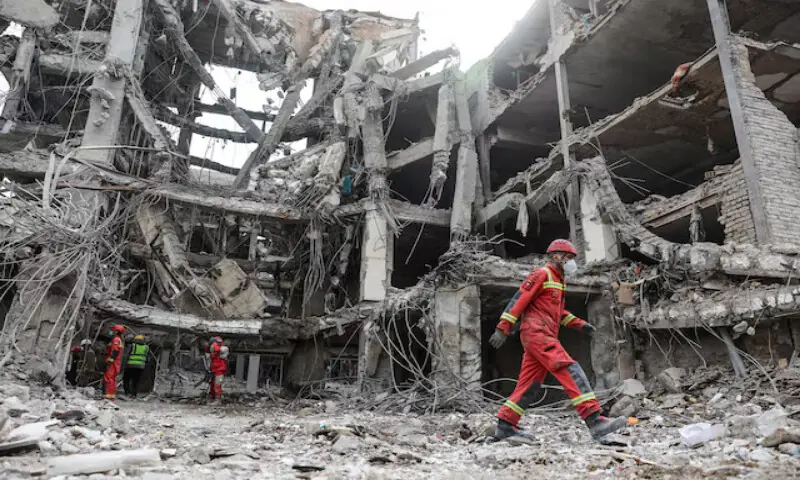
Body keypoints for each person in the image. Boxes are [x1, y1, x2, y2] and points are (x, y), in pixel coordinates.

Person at [488, 239, 629, 442]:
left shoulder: (558, 281)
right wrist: (503, 328)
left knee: (529, 385)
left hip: (542, 335)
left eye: (572, 258)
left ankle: (505, 425)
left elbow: (558, 312)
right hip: (538, 334)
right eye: (568, 257)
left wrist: (581, 325)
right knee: (570, 369)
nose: (571, 262)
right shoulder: (541, 274)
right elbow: (519, 299)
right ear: (556, 256)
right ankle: (595, 420)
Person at [103, 325, 126, 402]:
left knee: (109, 379)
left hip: (113, 363)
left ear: (116, 331)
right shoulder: (119, 340)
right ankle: (110, 396)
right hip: (116, 363)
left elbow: (115, 351)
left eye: (113, 330)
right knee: (112, 379)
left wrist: (110, 360)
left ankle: (109, 397)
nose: (111, 332)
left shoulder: (116, 339)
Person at [123, 334, 149, 399]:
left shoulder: (132, 346)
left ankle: (127, 393)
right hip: (140, 367)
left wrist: (124, 364)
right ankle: (134, 394)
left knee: (126, 379)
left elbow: (127, 355)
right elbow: (147, 358)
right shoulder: (146, 347)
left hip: (130, 365)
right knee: (136, 381)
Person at [205, 336, 229, 403]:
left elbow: (218, 349)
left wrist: (213, 346)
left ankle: (218, 400)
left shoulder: (222, 349)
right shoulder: (213, 350)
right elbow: (208, 353)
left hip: (220, 369)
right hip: (214, 369)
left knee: (217, 384)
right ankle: (213, 397)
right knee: (213, 384)